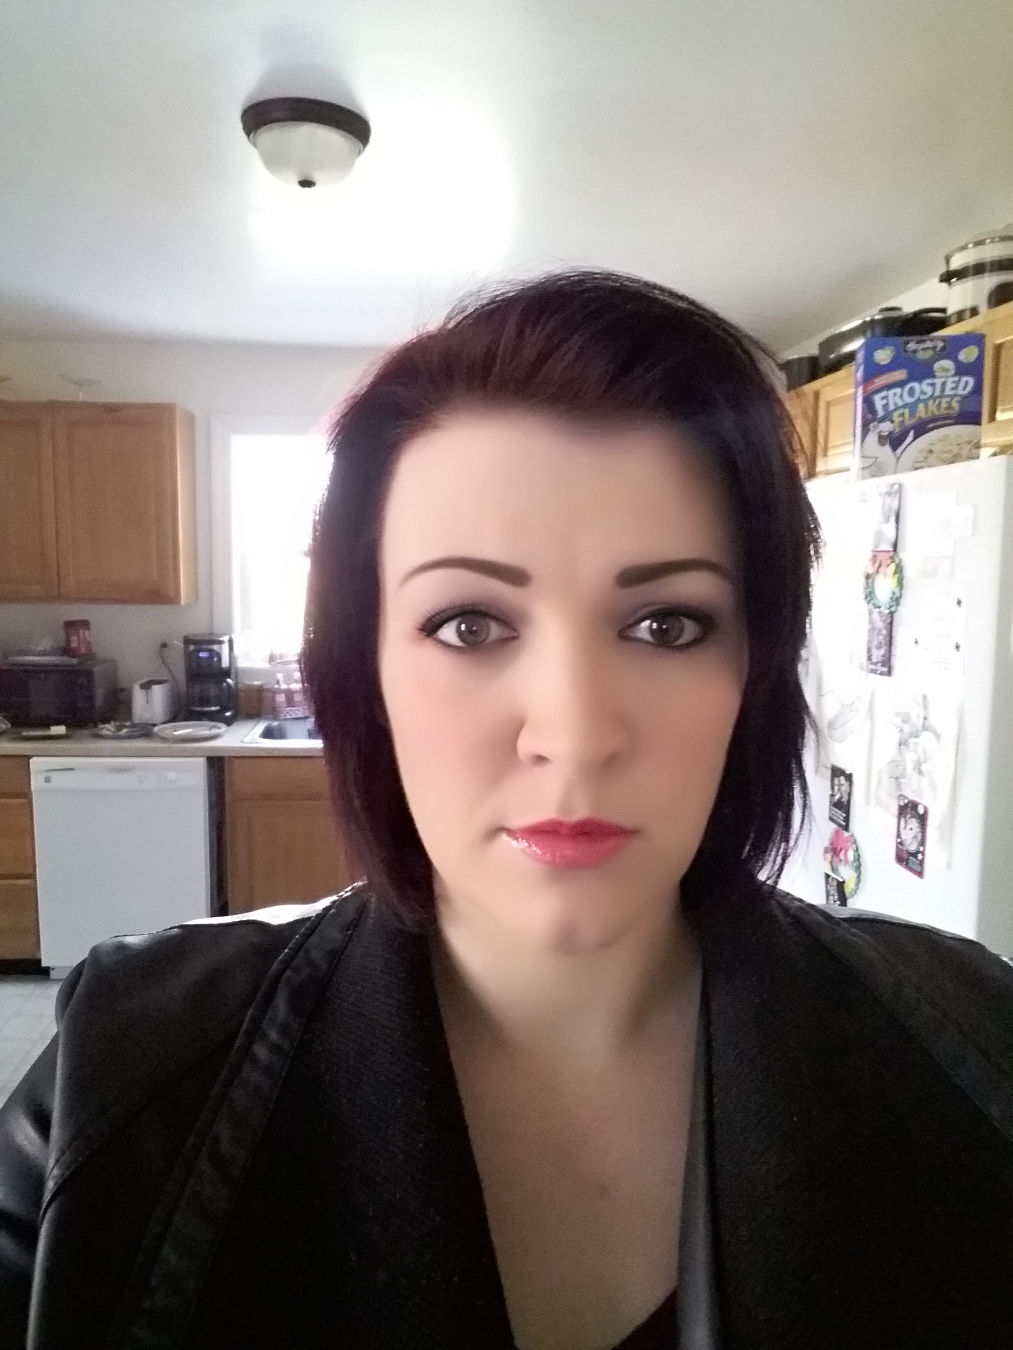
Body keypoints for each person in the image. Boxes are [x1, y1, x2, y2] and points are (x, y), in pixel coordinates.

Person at [0, 272, 1011, 1350]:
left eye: (666, 625)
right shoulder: (123, 1083)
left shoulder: (972, 1048)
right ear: (365, 671)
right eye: (469, 625)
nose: (570, 735)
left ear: (752, 670)